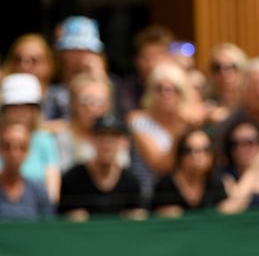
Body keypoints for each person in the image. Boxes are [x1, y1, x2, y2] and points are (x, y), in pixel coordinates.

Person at [58, 114, 145, 221]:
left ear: (123, 142)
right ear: (91, 140)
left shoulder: (131, 182)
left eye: (113, 138)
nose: (107, 144)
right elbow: (60, 220)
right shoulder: (72, 179)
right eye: (101, 136)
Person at [127, 63, 190, 200]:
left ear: (182, 94)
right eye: (160, 89)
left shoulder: (188, 125)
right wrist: (180, 129)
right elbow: (160, 166)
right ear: (150, 92)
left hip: (184, 198)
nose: (166, 94)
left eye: (173, 89)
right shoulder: (138, 121)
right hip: (147, 197)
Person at [0, 73, 60, 202]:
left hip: (36, 214)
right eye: (14, 106)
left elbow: (52, 193)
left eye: (27, 105)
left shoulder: (45, 140)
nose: (21, 111)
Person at [150, 127, 228, 217]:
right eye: (188, 150)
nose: (197, 156)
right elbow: (149, 216)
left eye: (205, 150)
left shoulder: (216, 183)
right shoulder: (164, 184)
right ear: (180, 155)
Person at [53, 73, 122, 172]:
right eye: (85, 100)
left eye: (99, 101)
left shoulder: (118, 137)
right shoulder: (61, 137)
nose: (92, 108)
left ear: (108, 105)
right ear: (73, 104)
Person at [0, 123, 53, 220]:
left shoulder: (39, 192)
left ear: (27, 152)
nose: (14, 153)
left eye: (21, 147)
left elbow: (48, 229)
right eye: (7, 146)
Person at [205, 42, 248, 124]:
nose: (224, 73)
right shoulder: (206, 102)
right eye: (217, 67)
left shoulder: (252, 102)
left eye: (232, 67)